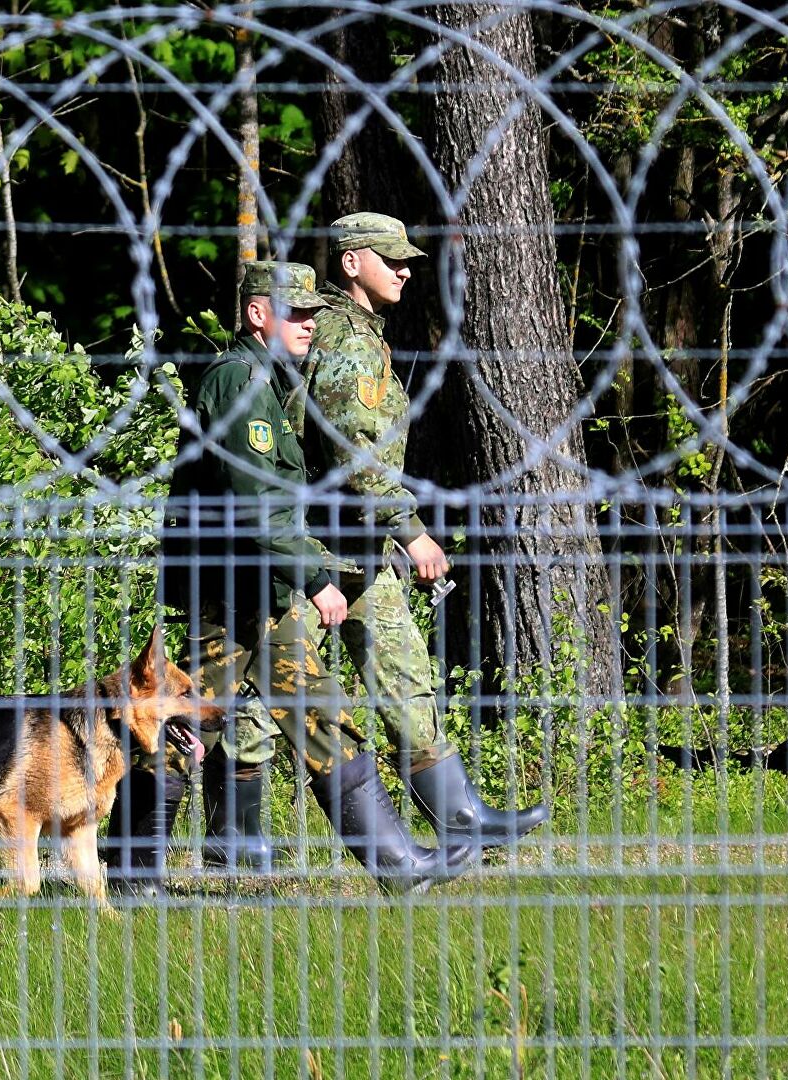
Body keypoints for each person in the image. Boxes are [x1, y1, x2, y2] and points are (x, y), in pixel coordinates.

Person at [101, 260, 479, 895]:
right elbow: (256, 501)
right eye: (295, 313)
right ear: (257, 315)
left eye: (311, 312)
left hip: (261, 596)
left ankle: (398, 868)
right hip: (226, 595)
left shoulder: (270, 383)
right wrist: (313, 575)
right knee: (186, 720)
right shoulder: (238, 382)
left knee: (318, 713)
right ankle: (132, 874)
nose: (309, 323)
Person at [200, 216, 548, 872]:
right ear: (353, 261)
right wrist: (412, 531)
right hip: (319, 547)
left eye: (408, 259)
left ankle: (460, 815)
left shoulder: (353, 334)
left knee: (401, 671)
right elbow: (356, 452)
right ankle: (232, 833)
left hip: (356, 543)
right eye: (392, 259)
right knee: (263, 683)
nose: (406, 269)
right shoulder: (339, 337)